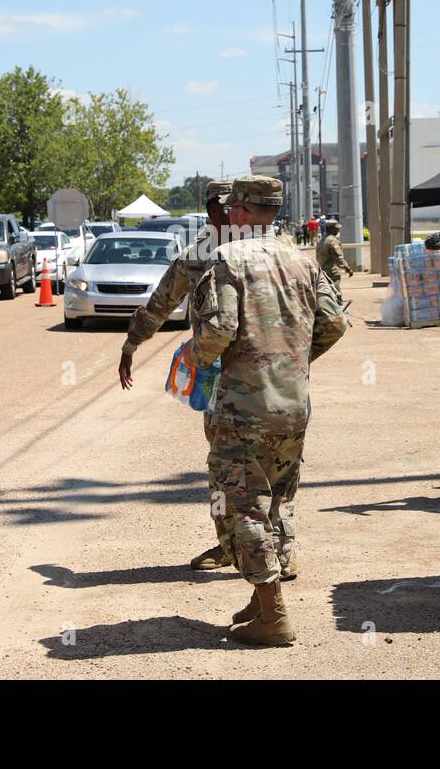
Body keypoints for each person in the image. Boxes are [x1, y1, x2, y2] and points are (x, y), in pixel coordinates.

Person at [190, 175, 347, 645]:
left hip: (244, 407)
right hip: (292, 405)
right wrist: (291, 361)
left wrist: (197, 361)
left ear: (238, 212)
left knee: (242, 506)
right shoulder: (302, 260)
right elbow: (335, 323)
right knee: (276, 502)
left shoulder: (227, 260)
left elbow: (217, 332)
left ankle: (274, 615)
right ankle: (261, 601)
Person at [119, 180, 236, 571]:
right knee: (243, 463)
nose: (227, 213)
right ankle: (248, 548)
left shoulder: (260, 251)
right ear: (211, 212)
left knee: (245, 465)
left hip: (239, 377)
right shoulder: (203, 254)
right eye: (222, 208)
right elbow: (161, 302)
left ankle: (260, 550)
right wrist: (132, 343)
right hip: (226, 380)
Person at [315, 219, 353, 289]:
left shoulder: (321, 240)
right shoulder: (332, 241)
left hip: (323, 272)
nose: (338, 230)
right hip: (332, 272)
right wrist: (347, 268)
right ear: (331, 229)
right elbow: (338, 258)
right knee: (335, 294)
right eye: (336, 228)